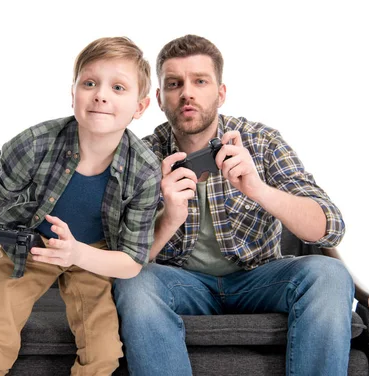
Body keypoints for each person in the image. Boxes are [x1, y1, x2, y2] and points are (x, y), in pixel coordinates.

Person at [113, 35, 354, 375]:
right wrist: (168, 218)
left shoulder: (261, 141)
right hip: (182, 284)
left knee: (329, 273)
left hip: (260, 280)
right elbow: (119, 262)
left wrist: (259, 190)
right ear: (159, 99)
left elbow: (329, 227)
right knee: (134, 283)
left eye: (200, 81)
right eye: (174, 84)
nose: (187, 93)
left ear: (220, 93)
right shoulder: (140, 157)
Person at [0, 37, 161, 376]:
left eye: (118, 87)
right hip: (29, 245)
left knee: (104, 352)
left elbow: (132, 263)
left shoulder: (145, 169)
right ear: (73, 92)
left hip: (91, 255)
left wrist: (77, 254)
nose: (101, 95)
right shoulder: (36, 142)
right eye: (90, 83)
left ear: (139, 107)